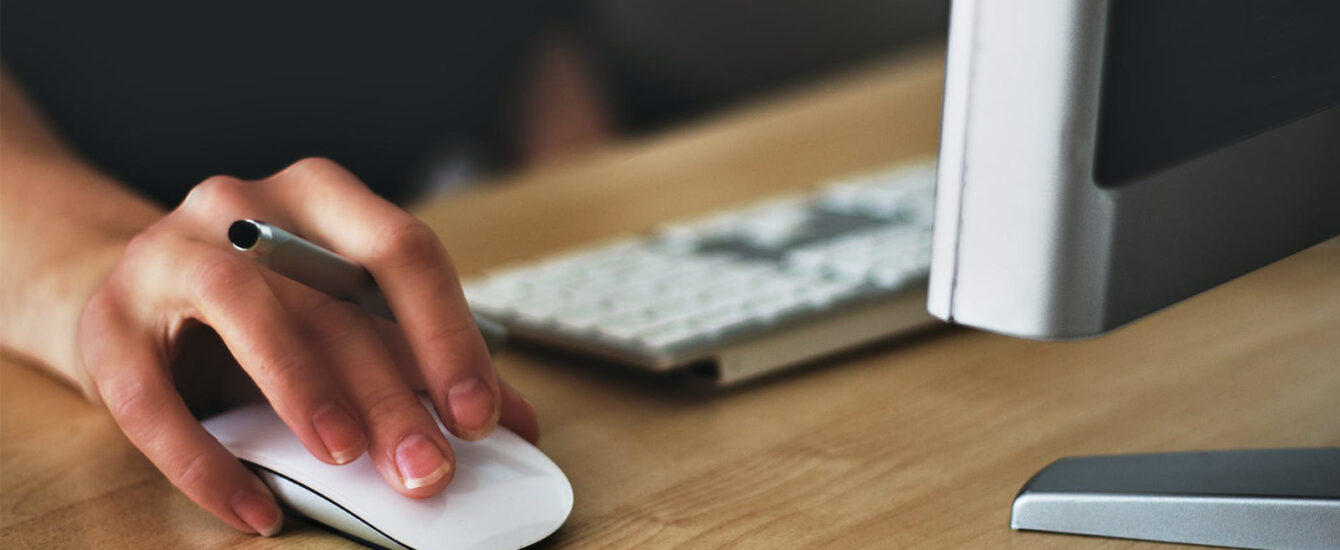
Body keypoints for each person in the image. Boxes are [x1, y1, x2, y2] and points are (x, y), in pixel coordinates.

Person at [1, 0, 947, 539]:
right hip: (135, 247)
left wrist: (603, 230)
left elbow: (529, 40)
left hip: (413, 274)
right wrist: (96, 276)